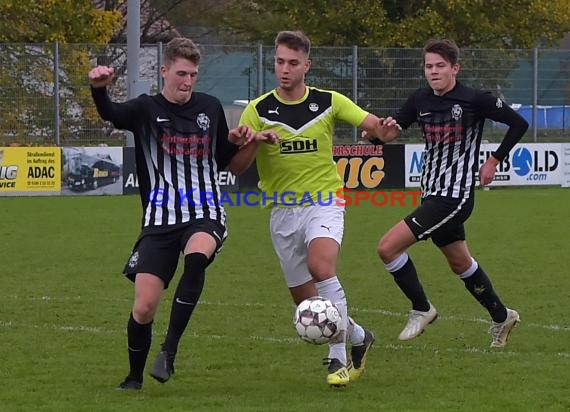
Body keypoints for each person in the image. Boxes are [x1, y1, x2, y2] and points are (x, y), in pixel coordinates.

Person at [228, 30, 393, 387]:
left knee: (322, 267)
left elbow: (373, 125)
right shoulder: (258, 109)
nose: (284, 69)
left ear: (307, 65)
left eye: (292, 62)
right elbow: (236, 168)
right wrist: (253, 141)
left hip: (324, 202)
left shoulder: (329, 101)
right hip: (282, 212)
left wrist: (386, 131)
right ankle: (361, 337)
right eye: (279, 62)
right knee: (308, 304)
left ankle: (336, 360)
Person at [89, 37, 248, 390]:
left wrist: (237, 139)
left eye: (193, 74)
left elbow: (222, 157)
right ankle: (133, 378)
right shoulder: (145, 109)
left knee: (195, 258)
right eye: (181, 73)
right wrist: (99, 90)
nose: (188, 82)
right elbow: (111, 114)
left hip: (205, 211)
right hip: (159, 219)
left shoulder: (209, 107)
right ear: (164, 71)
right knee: (144, 307)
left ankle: (169, 351)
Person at [362, 39, 528, 348]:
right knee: (460, 263)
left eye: (440, 66)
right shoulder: (419, 100)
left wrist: (493, 161)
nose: (434, 71)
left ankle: (422, 308)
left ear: (455, 68)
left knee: (387, 248)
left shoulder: (474, 99)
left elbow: (519, 123)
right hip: (431, 193)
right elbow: (390, 133)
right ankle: (502, 316)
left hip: (454, 198)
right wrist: (375, 135)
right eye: (428, 66)